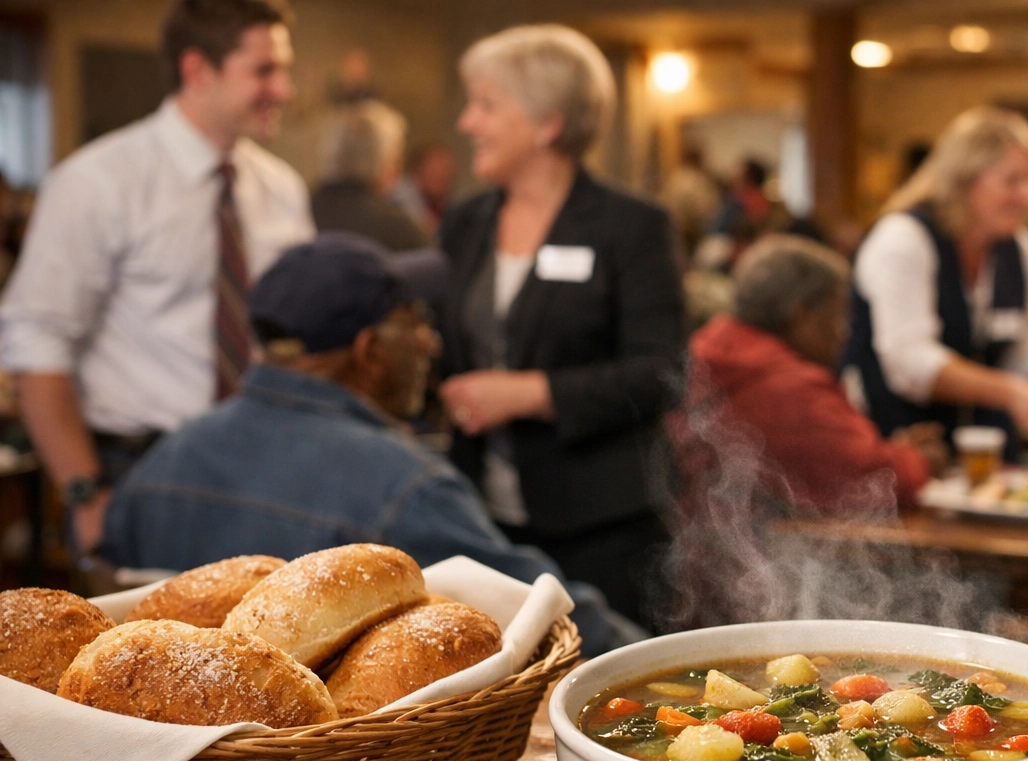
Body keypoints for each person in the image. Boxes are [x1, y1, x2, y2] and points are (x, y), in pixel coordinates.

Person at [102, 234, 637, 657]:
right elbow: (545, 613)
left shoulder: (160, 463)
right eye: (414, 320)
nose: (431, 341)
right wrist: (654, 655)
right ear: (370, 351)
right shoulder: (407, 489)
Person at [0, 0, 313, 555]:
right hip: (139, 471)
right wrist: (84, 494)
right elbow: (37, 342)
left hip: (267, 467)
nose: (284, 90)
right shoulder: (98, 182)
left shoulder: (281, 188)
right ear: (198, 69)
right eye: (264, 70)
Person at [437, 25, 686, 631]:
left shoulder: (630, 226)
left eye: (486, 105)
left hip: (601, 525)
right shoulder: (466, 221)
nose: (467, 122)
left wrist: (531, 393)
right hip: (484, 520)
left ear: (547, 124)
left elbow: (662, 373)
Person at [844, 106, 1028, 454]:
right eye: (1012, 181)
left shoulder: (1022, 249)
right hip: (901, 453)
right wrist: (1011, 392)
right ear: (965, 181)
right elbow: (910, 364)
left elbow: (1021, 352)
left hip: (988, 457)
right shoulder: (904, 238)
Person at [671, 234, 945, 518]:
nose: (843, 332)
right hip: (750, 541)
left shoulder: (706, 348)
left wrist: (893, 451)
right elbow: (871, 479)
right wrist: (919, 461)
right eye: (837, 314)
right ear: (800, 314)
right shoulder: (786, 386)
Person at [310, 99, 428, 251]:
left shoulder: (302, 207)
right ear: (385, 162)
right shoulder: (396, 229)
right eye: (396, 157)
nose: (398, 166)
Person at [391, 141, 457, 239]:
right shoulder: (397, 198)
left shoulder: (450, 202)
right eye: (434, 172)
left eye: (446, 174)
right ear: (418, 170)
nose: (441, 178)